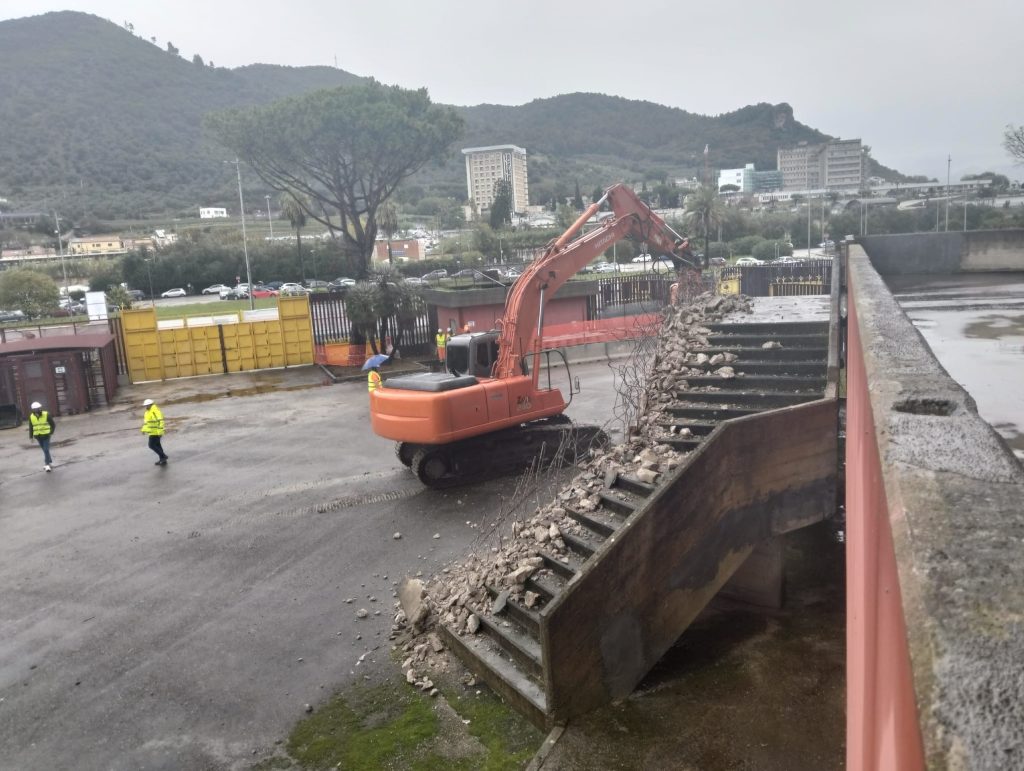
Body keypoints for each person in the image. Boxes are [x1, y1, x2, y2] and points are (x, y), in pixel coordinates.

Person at [28, 401, 56, 472]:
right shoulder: (31, 417)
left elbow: (53, 424)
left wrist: (51, 432)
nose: (37, 410)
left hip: (46, 435)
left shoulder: (46, 414)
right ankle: (49, 461)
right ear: (33, 410)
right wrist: (31, 437)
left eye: (38, 408)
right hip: (38, 436)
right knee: (44, 450)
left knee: (46, 450)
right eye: (35, 409)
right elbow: (31, 427)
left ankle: (47, 465)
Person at [141, 398, 169, 466]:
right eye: (145, 405)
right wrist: (143, 430)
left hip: (156, 432)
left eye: (147, 405)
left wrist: (160, 432)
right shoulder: (147, 412)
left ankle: (164, 456)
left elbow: (160, 421)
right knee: (158, 445)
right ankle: (162, 459)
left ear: (151, 405)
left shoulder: (154, 411)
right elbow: (146, 423)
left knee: (151, 445)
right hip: (152, 432)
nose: (146, 407)